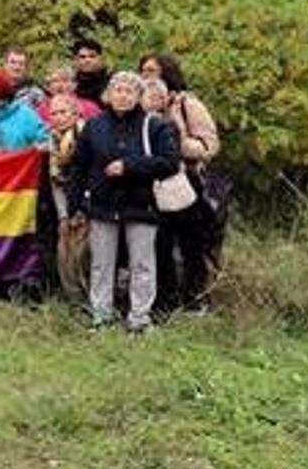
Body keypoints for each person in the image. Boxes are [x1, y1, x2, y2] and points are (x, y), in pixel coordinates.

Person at [70, 71, 181, 332]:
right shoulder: (94, 125)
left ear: (139, 96)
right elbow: (79, 167)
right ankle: (101, 314)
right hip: (102, 204)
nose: (123, 96)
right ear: (109, 94)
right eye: (118, 90)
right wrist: (75, 206)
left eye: (129, 91)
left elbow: (170, 162)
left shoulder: (154, 126)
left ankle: (140, 318)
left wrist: (130, 166)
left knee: (142, 263)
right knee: (101, 263)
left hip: (141, 204)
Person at [141, 54, 222, 314]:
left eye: (153, 70)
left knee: (192, 244)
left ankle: (195, 297)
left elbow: (210, 145)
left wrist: (176, 145)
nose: (148, 75)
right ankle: (164, 299)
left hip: (186, 181)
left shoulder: (187, 104)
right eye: (144, 70)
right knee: (159, 244)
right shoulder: (138, 108)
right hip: (150, 184)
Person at [45, 93, 89, 300]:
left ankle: (92, 299)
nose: (58, 117)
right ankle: (74, 299)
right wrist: (63, 214)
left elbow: (91, 176)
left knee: (84, 254)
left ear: (75, 112)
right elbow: (56, 182)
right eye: (53, 113)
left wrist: (81, 210)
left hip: (88, 206)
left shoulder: (86, 135)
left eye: (63, 112)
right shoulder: (52, 139)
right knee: (65, 252)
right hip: (65, 203)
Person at [36, 66, 102, 124]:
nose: (60, 85)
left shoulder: (89, 108)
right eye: (55, 81)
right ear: (47, 87)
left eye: (65, 80)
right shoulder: (41, 110)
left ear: (74, 85)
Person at [72, 39, 110, 106]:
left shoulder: (111, 82)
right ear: (76, 60)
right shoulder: (72, 84)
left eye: (92, 56)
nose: (87, 60)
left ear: (100, 58)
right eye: (82, 57)